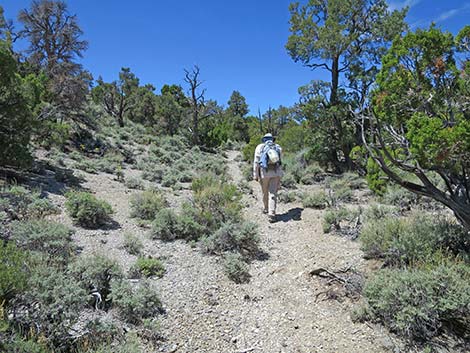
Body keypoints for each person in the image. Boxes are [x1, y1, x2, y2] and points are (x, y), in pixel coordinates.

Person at [253, 133, 283, 222]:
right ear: (272, 139)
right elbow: (280, 162)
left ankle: (266, 208)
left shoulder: (260, 147)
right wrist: (280, 175)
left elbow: (256, 162)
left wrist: (255, 175)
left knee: (264, 191)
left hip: (264, 172)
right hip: (276, 172)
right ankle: (272, 213)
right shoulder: (278, 147)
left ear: (264, 139)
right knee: (273, 192)